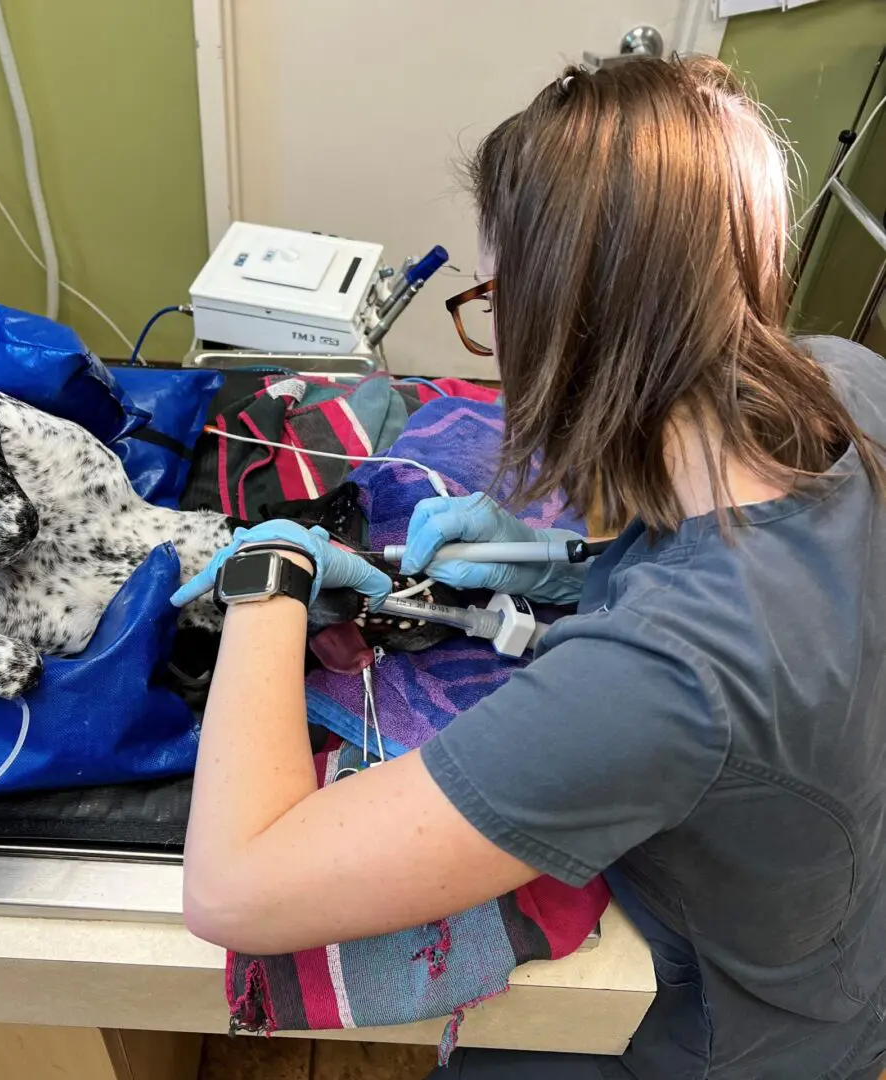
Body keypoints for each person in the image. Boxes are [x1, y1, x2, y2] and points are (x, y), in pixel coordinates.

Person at [171, 55, 886, 1080]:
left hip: (732, 1039)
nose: (494, 323)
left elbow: (235, 889)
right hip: (833, 934)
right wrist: (570, 560)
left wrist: (270, 573)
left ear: (571, 317)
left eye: (498, 293)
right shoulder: (844, 380)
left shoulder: (660, 678)